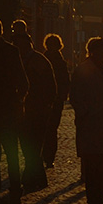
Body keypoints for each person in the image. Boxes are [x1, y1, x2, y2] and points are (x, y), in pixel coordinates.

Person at [0, 17, 28, 204]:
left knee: (8, 152)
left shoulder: (9, 51)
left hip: (5, 109)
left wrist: (18, 101)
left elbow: (22, 81)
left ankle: (14, 188)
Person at [71, 36, 103, 204]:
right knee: (93, 166)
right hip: (91, 125)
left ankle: (100, 199)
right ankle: (93, 202)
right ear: (95, 51)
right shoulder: (83, 70)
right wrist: (87, 112)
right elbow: (75, 96)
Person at [12, 23, 57, 193]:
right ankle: (39, 178)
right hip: (21, 110)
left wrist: (46, 106)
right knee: (27, 145)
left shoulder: (38, 61)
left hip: (37, 110)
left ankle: (30, 179)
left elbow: (50, 87)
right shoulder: (17, 60)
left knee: (34, 144)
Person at [42, 33, 71, 168]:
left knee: (50, 128)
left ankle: (47, 155)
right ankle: (47, 155)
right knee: (48, 128)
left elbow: (65, 81)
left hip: (51, 100)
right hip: (47, 100)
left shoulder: (46, 59)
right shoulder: (55, 61)